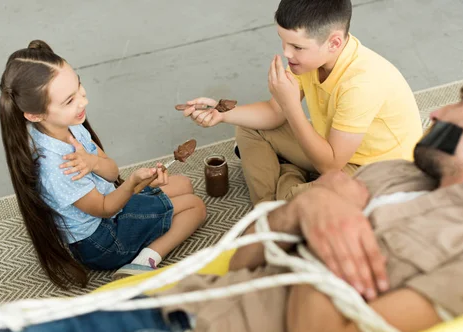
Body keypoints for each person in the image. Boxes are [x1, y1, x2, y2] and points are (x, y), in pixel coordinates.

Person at [0, 57, 463, 332]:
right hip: (160, 308)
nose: (437, 110)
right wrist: (318, 201)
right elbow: (242, 257)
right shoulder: (396, 172)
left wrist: (328, 206)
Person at [0, 40, 206, 287]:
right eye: (69, 100)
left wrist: (94, 162)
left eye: (79, 86)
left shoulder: (70, 125)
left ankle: (151, 222)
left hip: (111, 203)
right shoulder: (58, 167)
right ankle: (144, 261)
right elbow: (105, 208)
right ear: (35, 115)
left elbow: (111, 172)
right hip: (102, 240)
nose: (83, 101)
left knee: (183, 182)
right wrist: (133, 183)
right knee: (195, 206)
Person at [181, 0, 423, 204]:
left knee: (297, 203)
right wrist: (222, 114)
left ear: (334, 43)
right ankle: (267, 210)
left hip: (377, 172)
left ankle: (284, 184)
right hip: (332, 149)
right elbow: (275, 112)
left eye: (296, 46)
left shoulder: (361, 84)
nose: (287, 54)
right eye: (283, 41)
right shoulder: (310, 59)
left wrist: (291, 106)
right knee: (247, 127)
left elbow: (331, 166)